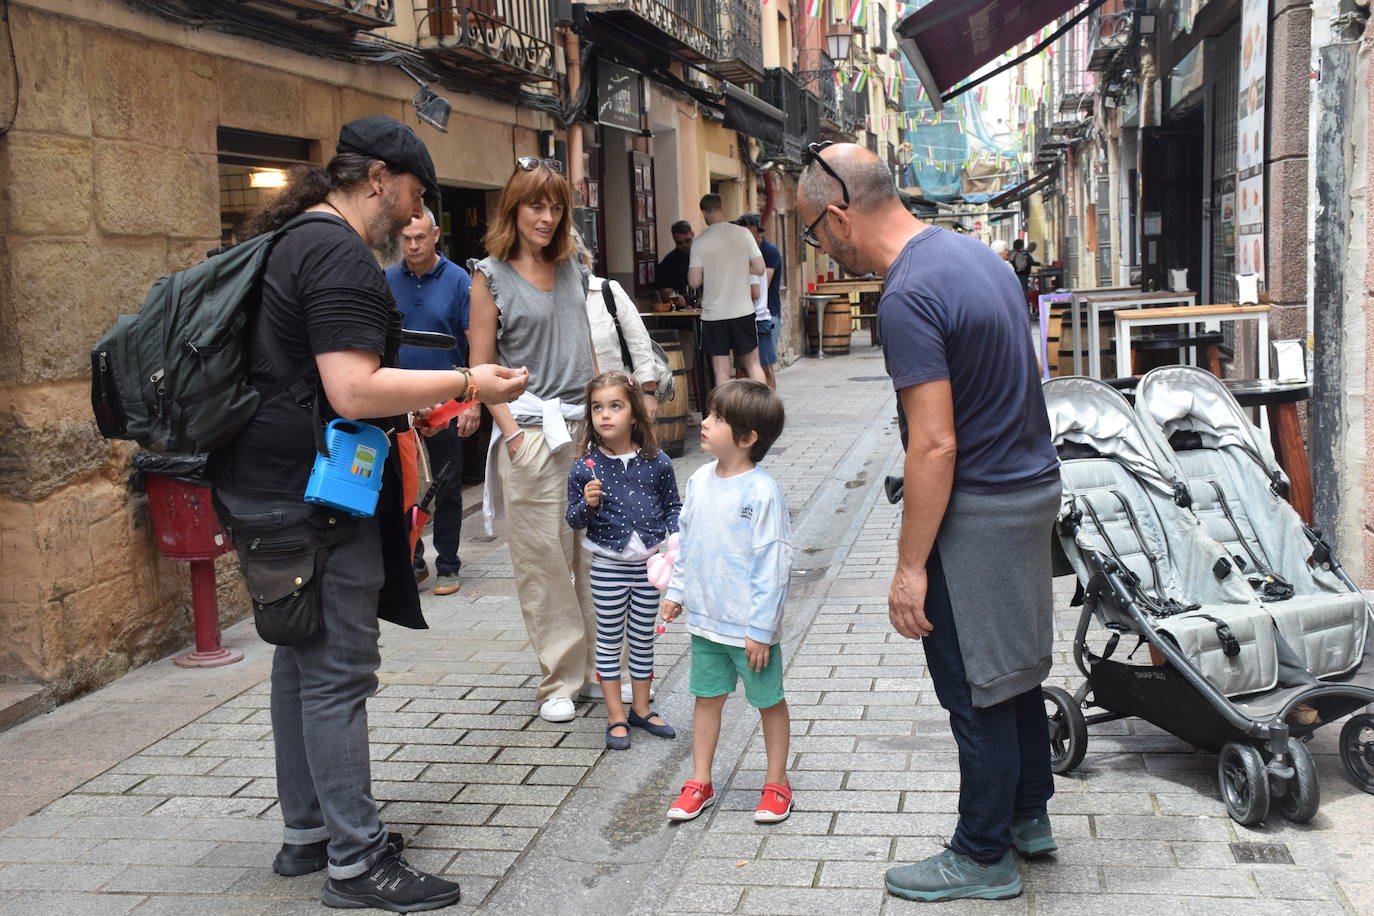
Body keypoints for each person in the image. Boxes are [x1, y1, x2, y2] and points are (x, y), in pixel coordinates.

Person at [211, 115, 527, 912]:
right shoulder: (340, 254)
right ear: (379, 179)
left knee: (299, 653)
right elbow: (353, 389)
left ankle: (308, 833)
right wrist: (468, 382)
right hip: (316, 498)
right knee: (339, 673)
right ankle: (356, 863)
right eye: (415, 197)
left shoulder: (292, 242)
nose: (416, 219)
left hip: (269, 485)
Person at [798, 142, 1062, 902]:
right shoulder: (978, 258)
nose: (821, 247)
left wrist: (910, 566)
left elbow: (935, 442)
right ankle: (1027, 816)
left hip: (976, 508)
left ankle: (982, 854)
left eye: (816, 232)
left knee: (972, 683)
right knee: (1012, 666)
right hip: (1029, 488)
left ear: (840, 216)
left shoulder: (908, 294)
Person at [468, 158, 600, 724]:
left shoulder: (574, 266)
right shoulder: (489, 274)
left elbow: (588, 347)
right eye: (536, 206)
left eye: (555, 207)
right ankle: (559, 679)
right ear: (514, 210)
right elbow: (479, 365)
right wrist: (511, 434)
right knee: (543, 561)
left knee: (591, 553)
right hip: (529, 430)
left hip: (583, 426)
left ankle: (595, 669)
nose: (547, 218)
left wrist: (604, 417)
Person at [661, 380, 792, 825]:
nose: (705, 421)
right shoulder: (699, 480)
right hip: (707, 624)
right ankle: (700, 780)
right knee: (707, 699)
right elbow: (688, 542)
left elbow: (773, 566)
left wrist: (760, 630)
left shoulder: (761, 493)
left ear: (747, 438)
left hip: (749, 630)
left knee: (768, 701)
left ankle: (777, 782)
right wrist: (677, 592)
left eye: (717, 418)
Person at [566, 371, 681, 750]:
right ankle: (615, 714)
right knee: (610, 639)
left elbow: (672, 507)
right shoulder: (585, 468)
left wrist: (677, 543)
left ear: (634, 414)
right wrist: (588, 502)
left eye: (615, 406)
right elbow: (573, 519)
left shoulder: (658, 461)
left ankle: (641, 708)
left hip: (649, 567)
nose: (605, 415)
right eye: (597, 407)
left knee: (643, 638)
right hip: (609, 568)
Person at [385, 206, 474, 597]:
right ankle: (413, 560)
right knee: (403, 485)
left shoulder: (459, 280)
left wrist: (473, 402)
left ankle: (449, 563)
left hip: (446, 401)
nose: (413, 245)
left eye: (421, 237)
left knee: (447, 483)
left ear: (436, 235)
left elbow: (475, 341)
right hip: (399, 400)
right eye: (405, 238)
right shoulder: (386, 279)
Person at [687, 195, 767, 387]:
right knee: (754, 365)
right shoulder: (744, 234)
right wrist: (738, 268)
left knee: (721, 372)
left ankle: (724, 415)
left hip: (714, 315)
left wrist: (713, 271)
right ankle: (763, 412)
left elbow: (694, 281)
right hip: (743, 311)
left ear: (704, 212)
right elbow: (760, 268)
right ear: (722, 208)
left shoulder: (700, 242)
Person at [735, 213, 782, 388]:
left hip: (764, 314)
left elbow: (760, 289)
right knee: (744, 368)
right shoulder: (744, 254)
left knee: (763, 365)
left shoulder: (768, 252)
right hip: (748, 317)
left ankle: (768, 405)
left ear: (756, 230)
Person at [654, 219, 695, 301]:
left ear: (692, 234)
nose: (684, 245)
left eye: (688, 241)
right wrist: (675, 299)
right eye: (680, 243)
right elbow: (665, 292)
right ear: (674, 239)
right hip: (680, 311)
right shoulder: (668, 263)